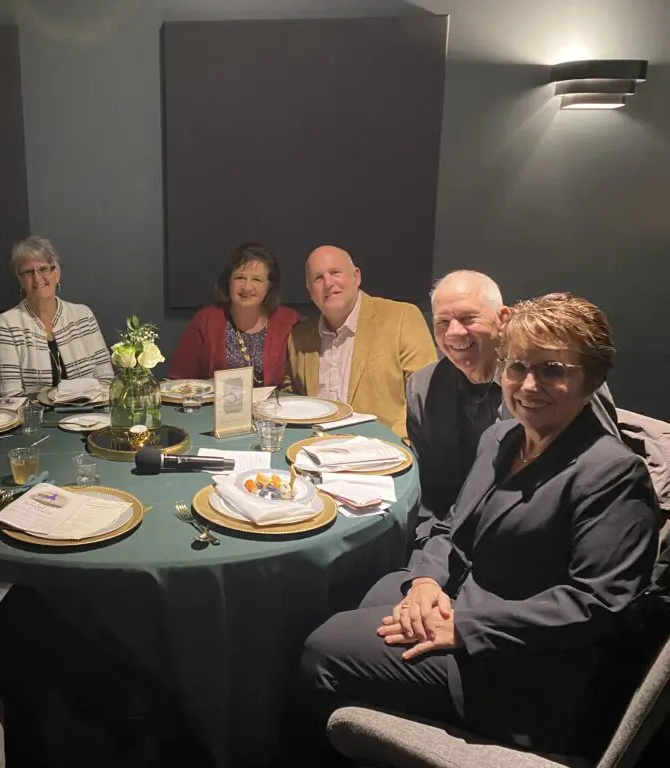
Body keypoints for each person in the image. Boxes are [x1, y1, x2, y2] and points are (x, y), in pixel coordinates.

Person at [301, 293, 658, 758]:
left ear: (591, 378)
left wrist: (463, 628)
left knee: (323, 649)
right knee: (376, 590)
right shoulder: (502, 438)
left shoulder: (612, 473)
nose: (528, 385)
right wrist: (426, 582)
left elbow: (597, 606)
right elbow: (453, 526)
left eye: (552, 370)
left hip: (522, 664)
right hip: (467, 598)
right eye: (516, 367)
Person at [403, 270, 619, 561]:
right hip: (448, 547)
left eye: (468, 318)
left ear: (503, 318)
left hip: (534, 555)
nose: (453, 333)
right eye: (442, 322)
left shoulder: (559, 386)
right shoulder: (422, 388)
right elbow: (432, 498)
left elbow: (602, 474)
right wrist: (429, 565)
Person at [286, 246, 436, 437]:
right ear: (310, 291)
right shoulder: (299, 338)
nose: (328, 283)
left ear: (356, 277)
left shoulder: (401, 318)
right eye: (318, 278)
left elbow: (427, 398)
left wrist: (396, 444)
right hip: (315, 452)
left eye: (335, 272)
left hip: (384, 453)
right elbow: (292, 401)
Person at [0, 236, 114, 397]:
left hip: (89, 416)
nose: (37, 278)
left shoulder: (83, 316)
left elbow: (106, 380)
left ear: (57, 274)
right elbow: (9, 397)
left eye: (44, 269)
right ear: (20, 280)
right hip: (34, 420)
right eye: (28, 272)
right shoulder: (6, 324)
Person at [168, 242, 302, 386]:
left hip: (270, 407)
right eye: (240, 278)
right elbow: (178, 380)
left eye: (256, 279)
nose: (246, 287)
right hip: (213, 407)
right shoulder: (205, 320)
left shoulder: (288, 321)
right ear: (228, 282)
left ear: (269, 286)